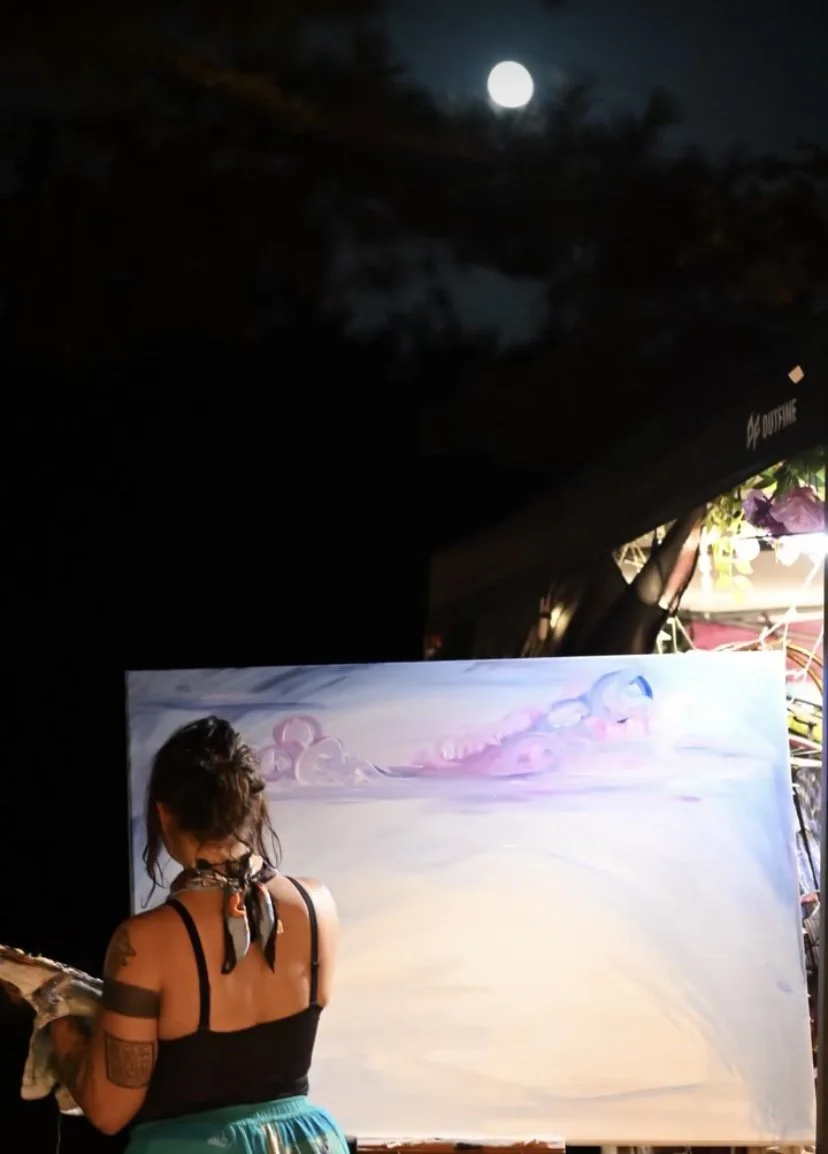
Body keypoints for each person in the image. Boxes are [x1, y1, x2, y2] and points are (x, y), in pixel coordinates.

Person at [49, 715, 347, 1154]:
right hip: (308, 1143)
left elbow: (109, 1110)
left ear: (164, 813)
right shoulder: (317, 905)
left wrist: (56, 1016)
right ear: (251, 806)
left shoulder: (144, 944)